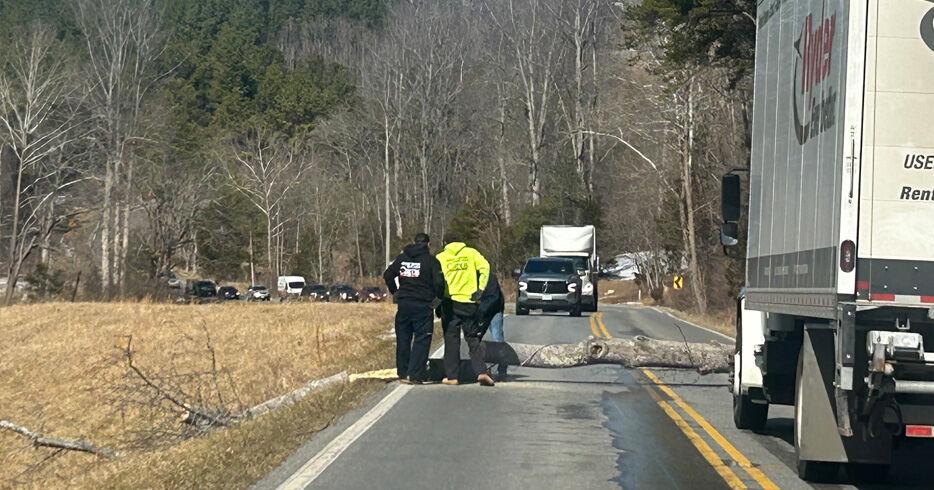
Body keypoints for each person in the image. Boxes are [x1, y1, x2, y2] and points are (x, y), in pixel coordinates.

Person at [383, 233, 445, 385]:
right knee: (422, 339)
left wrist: (395, 292)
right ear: (428, 244)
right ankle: (416, 374)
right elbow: (439, 283)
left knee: (403, 339)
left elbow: (388, 275)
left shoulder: (402, 258)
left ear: (414, 242)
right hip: (423, 305)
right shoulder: (431, 261)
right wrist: (438, 298)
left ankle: (403, 372)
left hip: (404, 304)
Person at [436, 235, 494, 387]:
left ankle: (452, 376)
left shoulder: (441, 257)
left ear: (445, 243)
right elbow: (485, 267)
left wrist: (437, 300)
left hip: (450, 302)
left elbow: (437, 280)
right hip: (469, 301)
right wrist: (480, 289)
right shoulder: (471, 253)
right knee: (472, 338)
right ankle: (481, 372)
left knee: (451, 340)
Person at [478, 272, 507, 380]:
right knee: (475, 339)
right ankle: (479, 367)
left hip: (495, 309)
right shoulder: (468, 276)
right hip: (480, 311)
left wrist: (481, 311)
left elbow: (494, 297)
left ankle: (502, 367)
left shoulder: (490, 277)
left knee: (497, 337)